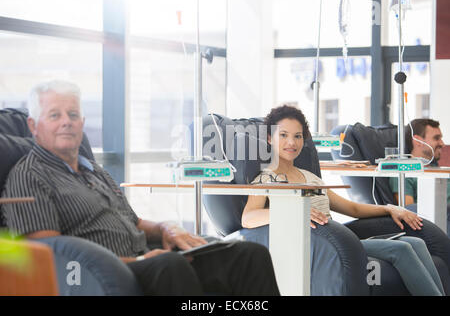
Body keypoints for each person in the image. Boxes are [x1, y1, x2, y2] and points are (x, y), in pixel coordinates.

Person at [1, 80, 280, 296]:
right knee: (171, 266)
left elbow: (134, 221)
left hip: (148, 254)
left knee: (248, 255)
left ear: (83, 123)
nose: (66, 121)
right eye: (54, 115)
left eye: (73, 114)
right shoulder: (28, 175)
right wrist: (141, 259)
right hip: (106, 271)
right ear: (33, 126)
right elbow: (49, 252)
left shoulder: (93, 170)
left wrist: (168, 228)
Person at [242, 105, 445, 296]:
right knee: (401, 248)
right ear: (269, 138)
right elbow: (248, 218)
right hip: (320, 246)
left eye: (297, 136)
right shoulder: (266, 179)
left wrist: (390, 208)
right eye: (283, 135)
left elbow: (352, 208)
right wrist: (294, 213)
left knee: (415, 242)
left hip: (340, 240)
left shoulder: (310, 177)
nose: (291, 143)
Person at [389, 118, 449, 234]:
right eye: (437, 138)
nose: (442, 143)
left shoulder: (439, 171)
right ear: (418, 141)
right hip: (437, 219)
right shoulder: (404, 173)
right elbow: (409, 210)